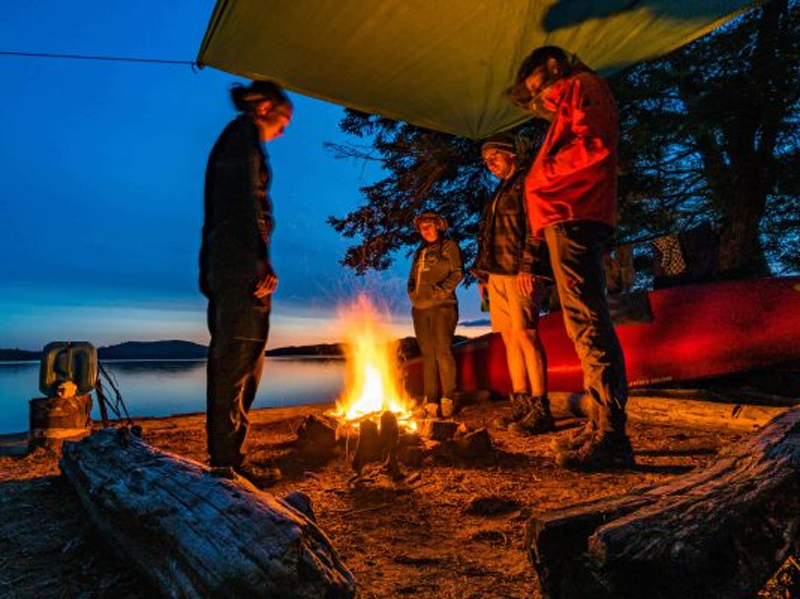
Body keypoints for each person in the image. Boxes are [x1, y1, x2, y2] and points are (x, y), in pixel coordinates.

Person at [507, 46, 633, 469]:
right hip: (566, 218)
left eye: (540, 86)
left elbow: (595, 142)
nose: (539, 98)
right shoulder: (568, 99)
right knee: (581, 323)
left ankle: (612, 435)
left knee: (589, 321)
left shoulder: (583, 86)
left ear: (556, 68)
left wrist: (541, 175)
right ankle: (600, 422)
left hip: (576, 215)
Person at [199, 80, 292, 485]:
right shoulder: (243, 138)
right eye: (284, 120)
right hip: (238, 269)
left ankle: (229, 456)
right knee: (236, 362)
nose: (285, 130)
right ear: (266, 107)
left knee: (242, 362)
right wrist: (258, 260)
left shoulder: (240, 140)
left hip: (228, 265)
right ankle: (227, 462)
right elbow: (242, 205)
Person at [474, 133, 553, 435]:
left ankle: (541, 408)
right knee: (509, 339)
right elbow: (489, 235)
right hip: (496, 274)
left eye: (494, 156)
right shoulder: (498, 192)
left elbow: (536, 228)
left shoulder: (526, 183)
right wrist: (483, 275)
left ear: (510, 155)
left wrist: (528, 266)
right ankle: (520, 404)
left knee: (527, 336)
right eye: (485, 160)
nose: (490, 163)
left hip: (518, 272)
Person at [407, 211, 464, 414]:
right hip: (420, 309)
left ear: (438, 226)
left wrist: (439, 293)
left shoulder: (449, 246)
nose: (426, 230)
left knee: (443, 350)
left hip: (444, 306)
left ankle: (448, 398)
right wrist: (412, 294)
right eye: (422, 227)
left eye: (429, 226)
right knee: (428, 354)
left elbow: (458, 273)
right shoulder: (419, 252)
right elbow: (412, 278)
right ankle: (430, 400)